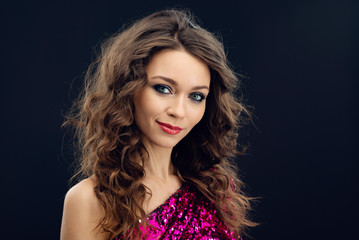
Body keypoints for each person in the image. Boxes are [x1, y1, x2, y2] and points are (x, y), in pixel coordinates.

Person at [60, 9, 256, 240]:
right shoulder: (90, 199)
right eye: (163, 88)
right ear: (128, 88)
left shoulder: (214, 188)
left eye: (196, 96)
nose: (178, 111)